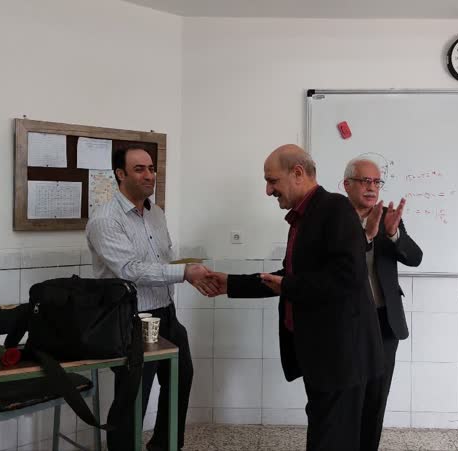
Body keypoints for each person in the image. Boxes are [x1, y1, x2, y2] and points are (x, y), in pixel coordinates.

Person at [202, 144, 384, 451]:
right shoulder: (304, 217)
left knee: (331, 441)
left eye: (272, 180)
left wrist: (288, 286)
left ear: (298, 173)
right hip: (323, 357)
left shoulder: (335, 208)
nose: (268, 190)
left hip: (342, 358)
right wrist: (230, 284)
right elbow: (287, 276)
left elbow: (346, 277)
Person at [86, 146, 208, 451]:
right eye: (139, 169)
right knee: (134, 395)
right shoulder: (105, 219)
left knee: (180, 379)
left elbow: (161, 260)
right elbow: (130, 269)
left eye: (151, 168)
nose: (149, 175)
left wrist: (188, 269)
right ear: (120, 174)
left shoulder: (156, 214)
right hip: (132, 320)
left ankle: (166, 446)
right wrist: (183, 273)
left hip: (166, 313)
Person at [342, 158, 423, 450]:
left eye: (376, 182)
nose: (371, 187)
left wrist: (393, 234)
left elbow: (415, 258)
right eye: (365, 181)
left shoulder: (389, 216)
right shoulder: (336, 218)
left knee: (376, 398)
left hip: (384, 321)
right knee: (347, 397)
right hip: (347, 321)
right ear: (347, 184)